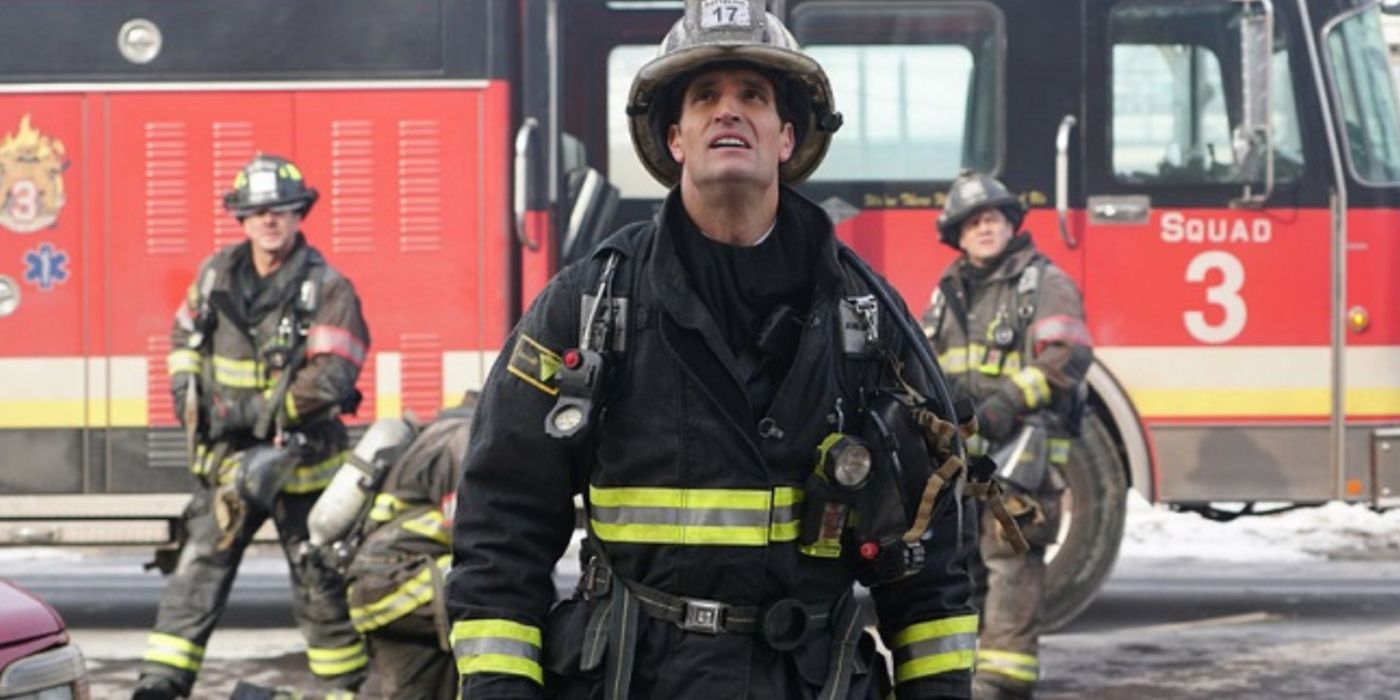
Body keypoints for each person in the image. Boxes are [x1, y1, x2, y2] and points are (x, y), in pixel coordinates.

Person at [445, 3, 979, 699]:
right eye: (706, 97)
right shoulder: (588, 307)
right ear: (675, 138)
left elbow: (930, 557)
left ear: (787, 137)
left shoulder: (869, 319)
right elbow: (501, 522)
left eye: (753, 96)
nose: (730, 112)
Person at [134, 154, 371, 700]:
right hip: (231, 464)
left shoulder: (327, 288)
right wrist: (190, 406)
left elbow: (333, 378)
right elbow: (183, 345)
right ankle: (160, 685)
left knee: (320, 588)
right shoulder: (216, 274)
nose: (270, 220)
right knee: (196, 575)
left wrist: (252, 414)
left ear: (298, 216)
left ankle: (344, 690)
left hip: (305, 469)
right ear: (241, 218)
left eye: (282, 210)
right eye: (259, 211)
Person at [920, 172, 1093, 700]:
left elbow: (1067, 355)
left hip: (1023, 454)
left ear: (1011, 224)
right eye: (973, 222)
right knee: (959, 564)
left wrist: (1003, 406)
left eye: (992, 218)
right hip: (963, 457)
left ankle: (1002, 683)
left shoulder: (1043, 283)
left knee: (1011, 563)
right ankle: (965, 676)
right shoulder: (947, 292)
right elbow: (926, 361)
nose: (984, 228)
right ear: (959, 235)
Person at [341, 399, 476, 699]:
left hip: (384, 587)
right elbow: (471, 534)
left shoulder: (440, 432)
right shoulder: (464, 436)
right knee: (490, 580)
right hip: (401, 584)